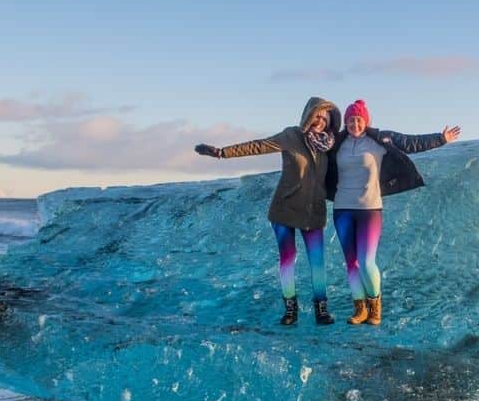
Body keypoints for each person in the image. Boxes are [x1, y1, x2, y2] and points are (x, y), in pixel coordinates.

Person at [196, 97, 342, 325]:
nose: (320, 121)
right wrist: (221, 153)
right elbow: (258, 146)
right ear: (308, 115)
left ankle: (321, 310)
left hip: (313, 211)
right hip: (284, 209)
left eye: (325, 118)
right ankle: (291, 310)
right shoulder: (290, 136)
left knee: (317, 262)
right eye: (317, 116)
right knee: (287, 259)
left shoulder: (330, 145)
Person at [325, 99, 460, 325]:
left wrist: (440, 138)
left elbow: (410, 142)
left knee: (366, 261)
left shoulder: (378, 140)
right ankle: (360, 309)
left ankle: (375, 306)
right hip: (342, 208)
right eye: (350, 120)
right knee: (351, 263)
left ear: (365, 121)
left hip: (369, 209)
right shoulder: (337, 143)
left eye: (358, 119)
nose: (354, 124)